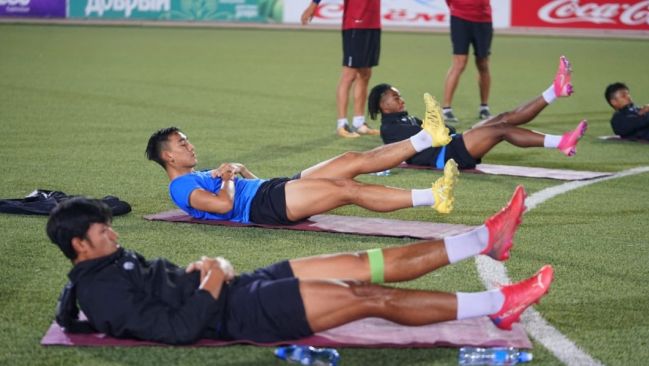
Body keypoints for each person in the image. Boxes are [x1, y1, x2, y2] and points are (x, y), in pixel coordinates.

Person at [48, 190, 554, 345]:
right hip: (242, 312)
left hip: (242, 285)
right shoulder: (102, 292)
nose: (113, 232)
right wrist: (215, 275)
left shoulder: (109, 263)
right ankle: (499, 305)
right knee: (368, 299)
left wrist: (208, 270)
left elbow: (162, 294)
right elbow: (179, 330)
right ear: (79, 244)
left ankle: (487, 239)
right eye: (102, 230)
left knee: (362, 264)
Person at [145, 97, 458, 225]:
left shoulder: (196, 175)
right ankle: (434, 197)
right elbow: (225, 207)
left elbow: (248, 184)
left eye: (187, 140)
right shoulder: (180, 187)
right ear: (168, 156)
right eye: (182, 143)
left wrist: (237, 171)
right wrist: (227, 178)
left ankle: (427, 137)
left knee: (351, 158)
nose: (190, 145)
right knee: (346, 189)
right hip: (265, 206)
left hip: (271, 190)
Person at [370, 56, 587, 169]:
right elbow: (432, 138)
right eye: (396, 98)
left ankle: (554, 91)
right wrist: (439, 128)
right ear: (383, 105)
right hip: (447, 156)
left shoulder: (404, 119)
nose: (402, 100)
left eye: (400, 96)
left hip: (451, 145)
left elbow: (443, 131)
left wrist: (440, 129)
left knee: (503, 118)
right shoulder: (389, 129)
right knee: (501, 130)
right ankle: (561, 141)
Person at [301, 0, 381, 138]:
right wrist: (313, 5)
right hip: (355, 21)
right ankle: (342, 124)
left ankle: (359, 123)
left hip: (373, 22)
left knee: (365, 73)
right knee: (349, 75)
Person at [441, 0, 494, 122]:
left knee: (483, 63)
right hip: (460, 17)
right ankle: (446, 109)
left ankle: (484, 107)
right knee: (459, 63)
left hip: (483, 19)